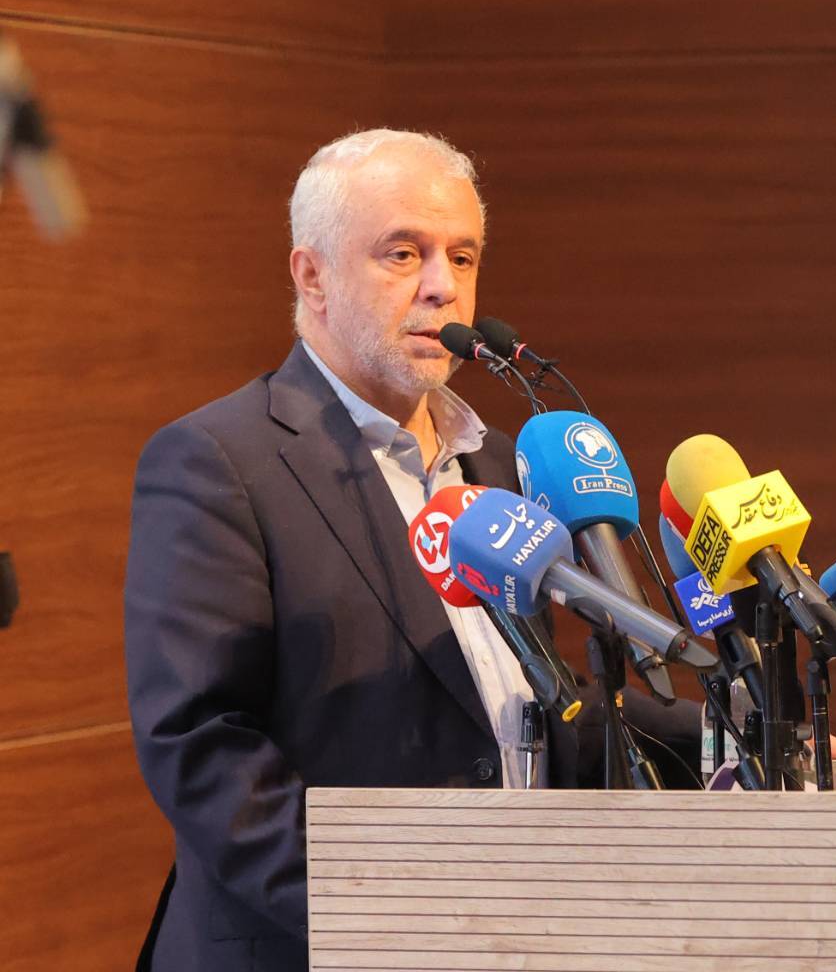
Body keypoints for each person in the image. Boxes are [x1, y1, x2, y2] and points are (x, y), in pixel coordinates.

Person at [123, 129, 696, 971]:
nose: (443, 287)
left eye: (463, 257)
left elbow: (532, 702)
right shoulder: (219, 462)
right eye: (403, 253)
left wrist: (729, 734)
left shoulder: (498, 462)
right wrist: (399, 917)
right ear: (311, 275)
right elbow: (201, 747)